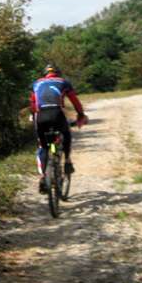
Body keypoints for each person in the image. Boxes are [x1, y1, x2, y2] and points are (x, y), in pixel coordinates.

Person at [30, 64, 88, 194]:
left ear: (44, 74)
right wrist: (81, 114)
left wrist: (33, 117)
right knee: (66, 133)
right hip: (57, 114)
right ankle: (67, 160)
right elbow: (74, 101)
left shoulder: (36, 83)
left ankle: (43, 176)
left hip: (40, 116)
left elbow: (33, 104)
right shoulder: (63, 82)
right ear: (58, 73)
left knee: (42, 147)